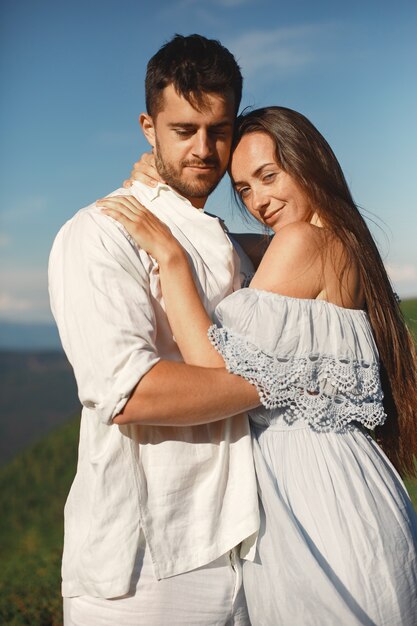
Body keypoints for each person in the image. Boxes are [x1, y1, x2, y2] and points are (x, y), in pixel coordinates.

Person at [100, 106, 417, 625]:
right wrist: (175, 199)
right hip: (350, 488)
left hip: (314, 501)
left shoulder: (301, 243)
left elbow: (212, 366)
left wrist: (169, 252)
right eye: (244, 188)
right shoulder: (342, 242)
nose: (259, 201)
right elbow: (227, 244)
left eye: (269, 177)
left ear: (308, 162)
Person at [49, 34, 265, 626]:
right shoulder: (97, 234)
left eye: (218, 131)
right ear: (148, 126)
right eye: (183, 129)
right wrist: (283, 384)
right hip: (144, 567)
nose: (204, 149)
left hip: (247, 549)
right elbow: (131, 393)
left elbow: (328, 240)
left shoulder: (222, 241)